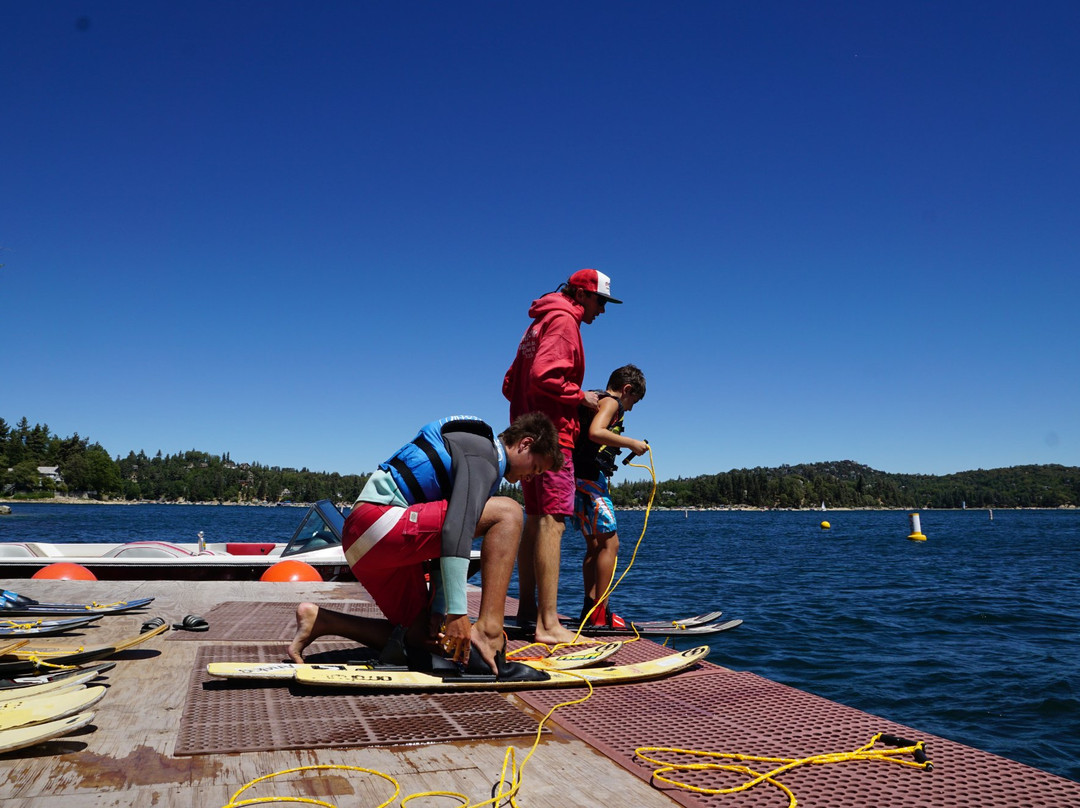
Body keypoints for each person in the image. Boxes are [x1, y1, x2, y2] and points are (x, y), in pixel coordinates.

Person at [288, 412, 562, 679]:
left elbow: (444, 539)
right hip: (380, 522)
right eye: (535, 468)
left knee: (425, 641)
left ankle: (322, 620)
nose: (530, 478)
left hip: (361, 541)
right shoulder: (483, 454)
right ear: (525, 444)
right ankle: (489, 635)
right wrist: (457, 613)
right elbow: (456, 528)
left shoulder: (476, 460)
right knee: (508, 513)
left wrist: (438, 610)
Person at [502, 268, 623, 644]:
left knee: (535, 522)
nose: (602, 310)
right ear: (582, 295)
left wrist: (528, 412)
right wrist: (579, 396)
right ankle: (548, 624)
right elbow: (545, 376)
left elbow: (509, 384)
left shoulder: (538, 322)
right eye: (601, 301)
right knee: (552, 523)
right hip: (554, 440)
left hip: (528, 439)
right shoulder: (565, 321)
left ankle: (527, 611)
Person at [570, 364, 649, 629]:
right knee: (611, 545)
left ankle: (589, 610)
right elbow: (596, 432)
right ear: (627, 389)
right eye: (633, 401)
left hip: (576, 479)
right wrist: (632, 443)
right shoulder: (611, 403)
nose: (631, 408)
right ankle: (600, 612)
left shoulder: (595, 399)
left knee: (594, 546)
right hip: (591, 480)